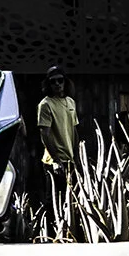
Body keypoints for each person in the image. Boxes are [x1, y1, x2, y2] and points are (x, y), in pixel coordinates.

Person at [35, 65, 79, 217]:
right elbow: (45, 134)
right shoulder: (45, 104)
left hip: (70, 159)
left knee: (71, 198)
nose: (57, 84)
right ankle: (50, 236)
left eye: (60, 81)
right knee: (53, 200)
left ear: (65, 82)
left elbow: (74, 130)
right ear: (48, 84)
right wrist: (55, 160)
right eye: (53, 82)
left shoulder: (71, 102)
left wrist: (77, 157)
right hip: (54, 161)